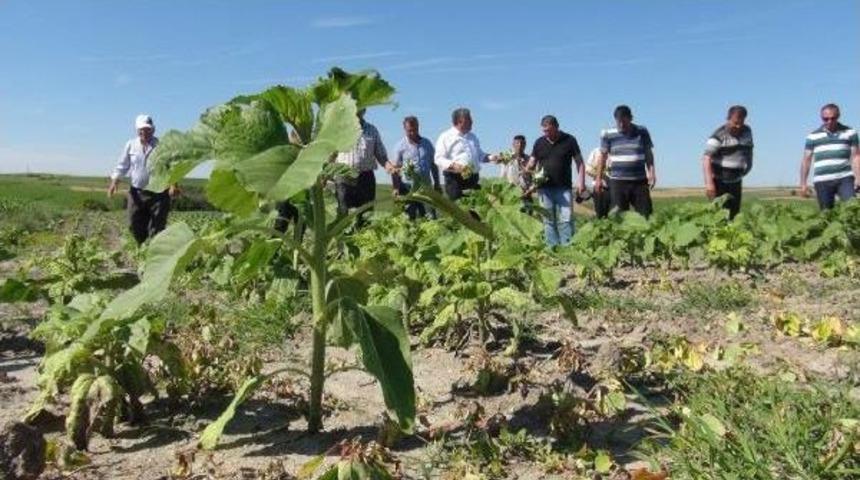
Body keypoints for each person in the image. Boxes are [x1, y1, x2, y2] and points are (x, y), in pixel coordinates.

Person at [108, 114, 178, 244]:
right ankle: (141, 248)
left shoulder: (162, 145)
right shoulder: (131, 145)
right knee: (133, 224)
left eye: (147, 129)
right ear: (137, 130)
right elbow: (122, 165)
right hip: (137, 192)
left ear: (153, 130)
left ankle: (152, 256)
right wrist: (114, 182)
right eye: (142, 129)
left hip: (159, 194)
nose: (144, 132)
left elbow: (172, 166)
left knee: (157, 228)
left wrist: (174, 184)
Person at [529, 115, 586, 247]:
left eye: (548, 130)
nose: (546, 134)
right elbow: (532, 162)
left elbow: (580, 163)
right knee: (548, 220)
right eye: (544, 131)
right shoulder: (539, 142)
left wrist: (581, 183)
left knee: (566, 219)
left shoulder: (569, 140)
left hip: (564, 187)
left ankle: (567, 248)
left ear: (556, 127)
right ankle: (552, 249)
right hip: (544, 188)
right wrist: (526, 169)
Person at [595, 105, 656, 218]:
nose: (622, 125)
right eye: (619, 122)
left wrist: (652, 173)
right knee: (619, 216)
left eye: (624, 122)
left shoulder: (642, 131)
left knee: (646, 214)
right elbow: (602, 157)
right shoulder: (607, 134)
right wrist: (598, 179)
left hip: (639, 181)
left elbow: (648, 153)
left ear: (631, 118)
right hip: (618, 182)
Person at [800, 103, 860, 210]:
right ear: (821, 118)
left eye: (833, 118)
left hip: (845, 178)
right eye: (825, 119)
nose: (829, 121)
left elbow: (856, 156)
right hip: (822, 180)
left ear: (838, 116)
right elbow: (806, 160)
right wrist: (803, 183)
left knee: (852, 208)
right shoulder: (813, 136)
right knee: (826, 214)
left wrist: (858, 178)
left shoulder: (850, 133)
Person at [334, 109, 389, 221]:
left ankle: (363, 237)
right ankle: (344, 238)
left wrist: (389, 166)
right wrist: (324, 176)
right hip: (344, 178)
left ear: (364, 111)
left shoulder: (372, 130)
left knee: (366, 216)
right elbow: (331, 154)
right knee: (343, 214)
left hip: (365, 178)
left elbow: (381, 154)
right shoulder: (340, 130)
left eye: (360, 108)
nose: (356, 111)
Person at [434, 108, 499, 201]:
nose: (472, 121)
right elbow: (438, 158)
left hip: (473, 179)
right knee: (459, 210)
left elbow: (480, 155)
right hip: (455, 181)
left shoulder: (472, 137)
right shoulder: (445, 137)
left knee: (475, 211)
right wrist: (454, 166)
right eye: (469, 119)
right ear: (460, 121)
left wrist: (492, 157)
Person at [702, 105, 754, 219]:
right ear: (728, 118)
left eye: (741, 122)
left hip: (736, 181)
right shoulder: (718, 136)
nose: (738, 126)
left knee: (735, 215)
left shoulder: (747, 131)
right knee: (720, 215)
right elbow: (706, 159)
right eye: (735, 122)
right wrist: (709, 184)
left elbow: (749, 148)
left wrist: (749, 164)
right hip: (719, 182)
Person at [389, 116, 440, 220]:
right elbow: (395, 169)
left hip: (425, 188)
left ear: (418, 127)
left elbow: (433, 165)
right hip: (407, 188)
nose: (412, 133)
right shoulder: (400, 146)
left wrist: (437, 184)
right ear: (405, 129)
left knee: (430, 219)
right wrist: (395, 188)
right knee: (408, 220)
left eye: (415, 130)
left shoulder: (427, 144)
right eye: (409, 131)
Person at [500, 135, 535, 211]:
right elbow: (502, 177)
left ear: (525, 145)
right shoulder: (507, 159)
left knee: (528, 219)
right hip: (512, 194)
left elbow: (534, 176)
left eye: (522, 143)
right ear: (513, 144)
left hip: (526, 194)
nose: (519, 145)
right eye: (517, 143)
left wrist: (531, 189)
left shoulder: (530, 159)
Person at [585, 147, 611, 218]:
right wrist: (599, 175)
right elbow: (588, 169)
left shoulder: (617, 152)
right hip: (599, 187)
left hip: (614, 187)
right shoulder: (596, 151)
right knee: (600, 214)